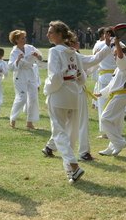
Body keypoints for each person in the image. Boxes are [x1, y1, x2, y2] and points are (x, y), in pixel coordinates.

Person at [42, 31, 112, 161]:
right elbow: (56, 76)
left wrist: (107, 46)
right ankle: (82, 152)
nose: (78, 43)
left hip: (77, 90)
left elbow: (93, 61)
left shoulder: (76, 56)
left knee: (67, 124)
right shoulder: (66, 54)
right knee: (75, 124)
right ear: (70, 43)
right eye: (76, 41)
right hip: (73, 91)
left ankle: (51, 147)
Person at [43, 20, 86, 183]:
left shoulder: (55, 51)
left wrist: (47, 90)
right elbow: (82, 78)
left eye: (51, 32)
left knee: (58, 132)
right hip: (73, 94)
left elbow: (54, 76)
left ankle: (74, 165)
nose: (48, 34)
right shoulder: (74, 52)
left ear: (60, 34)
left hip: (59, 94)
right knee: (70, 134)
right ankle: (70, 172)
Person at [96, 36, 126, 156]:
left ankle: (119, 142)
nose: (114, 56)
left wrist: (117, 43)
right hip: (117, 95)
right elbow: (112, 84)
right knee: (116, 123)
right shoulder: (118, 69)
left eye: (116, 54)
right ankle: (112, 146)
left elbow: (121, 57)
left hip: (120, 96)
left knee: (105, 119)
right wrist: (101, 93)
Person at [8, 30, 42, 129]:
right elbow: (10, 67)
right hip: (20, 75)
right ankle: (13, 118)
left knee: (33, 97)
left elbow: (40, 57)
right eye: (22, 38)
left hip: (31, 74)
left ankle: (30, 122)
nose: (25, 39)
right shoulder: (14, 52)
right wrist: (18, 60)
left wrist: (37, 56)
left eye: (25, 37)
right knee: (22, 98)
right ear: (16, 40)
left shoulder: (30, 47)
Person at [94, 27, 117, 139]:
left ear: (106, 34)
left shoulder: (99, 45)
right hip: (116, 76)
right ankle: (115, 129)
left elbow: (94, 59)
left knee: (103, 104)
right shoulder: (120, 44)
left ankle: (105, 132)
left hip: (104, 75)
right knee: (115, 104)